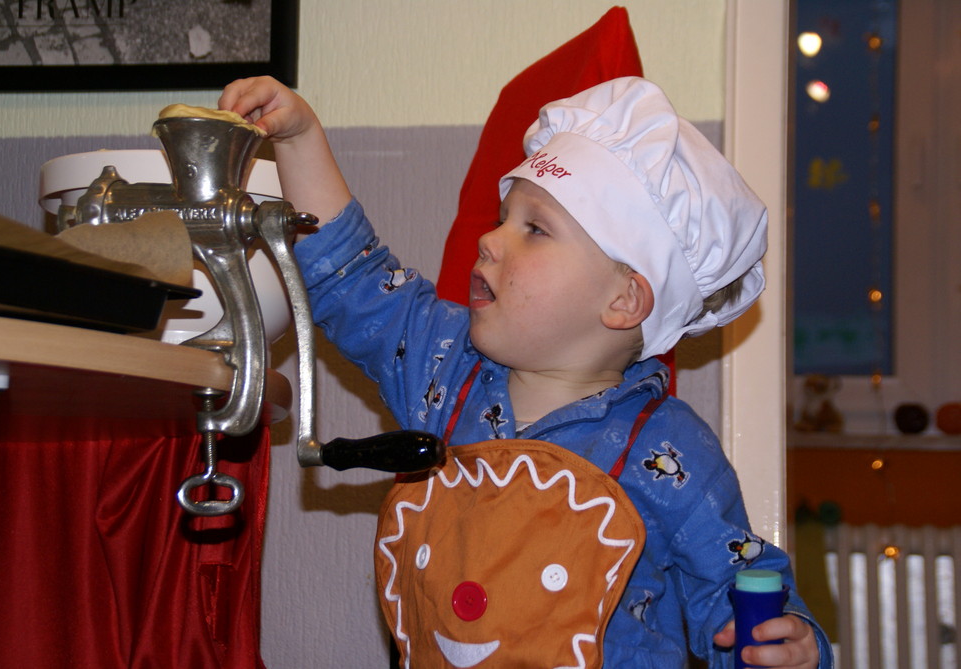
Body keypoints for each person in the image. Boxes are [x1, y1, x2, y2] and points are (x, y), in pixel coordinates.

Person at [219, 75, 833, 668]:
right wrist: (300, 139)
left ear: (623, 300)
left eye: (534, 228)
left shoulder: (672, 451)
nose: (490, 239)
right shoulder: (445, 369)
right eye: (503, 217)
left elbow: (737, 591)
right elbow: (351, 276)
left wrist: (785, 643)